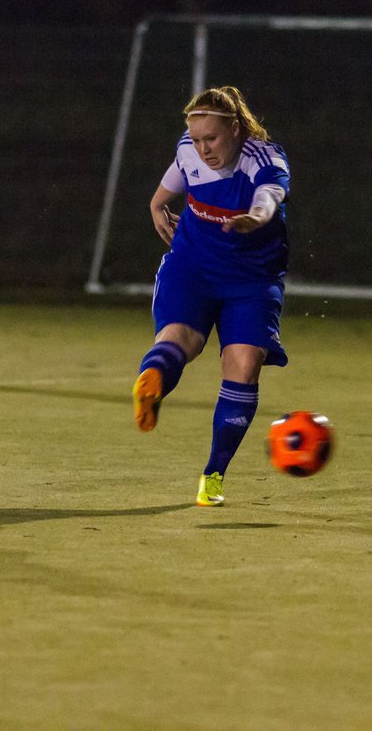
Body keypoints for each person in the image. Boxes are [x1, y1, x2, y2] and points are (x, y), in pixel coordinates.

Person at [131, 86, 291, 507]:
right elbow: (175, 176)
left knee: (242, 363)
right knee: (181, 339)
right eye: (197, 139)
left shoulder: (265, 158)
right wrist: (155, 205)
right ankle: (153, 388)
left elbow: (270, 196)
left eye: (212, 139)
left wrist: (255, 218)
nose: (203, 149)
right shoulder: (188, 148)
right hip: (193, 267)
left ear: (236, 129)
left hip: (251, 280)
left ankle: (212, 471)